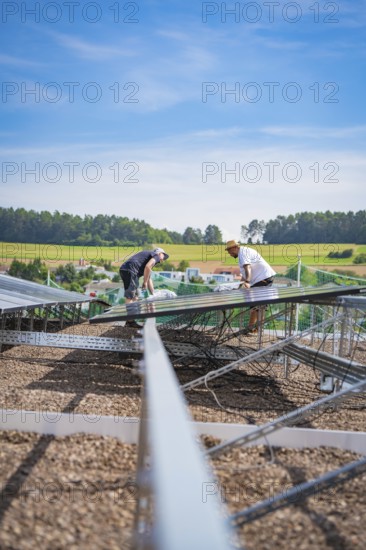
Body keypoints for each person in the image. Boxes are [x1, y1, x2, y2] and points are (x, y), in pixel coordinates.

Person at [225, 240, 276, 333]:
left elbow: (247, 268)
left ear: (235, 248)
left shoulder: (243, 253)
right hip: (262, 278)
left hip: (263, 278)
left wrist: (247, 282)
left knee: (257, 305)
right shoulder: (242, 253)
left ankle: (253, 328)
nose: (230, 254)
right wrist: (239, 286)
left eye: (230, 251)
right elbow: (244, 274)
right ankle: (254, 328)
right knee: (257, 305)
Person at [120, 247, 169, 328]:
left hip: (126, 270)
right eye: (164, 256)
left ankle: (130, 320)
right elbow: (147, 267)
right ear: (160, 253)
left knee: (135, 296)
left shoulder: (148, 257)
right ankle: (130, 322)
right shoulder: (155, 256)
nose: (163, 260)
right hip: (131, 270)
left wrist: (153, 294)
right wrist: (144, 282)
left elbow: (149, 278)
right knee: (130, 296)